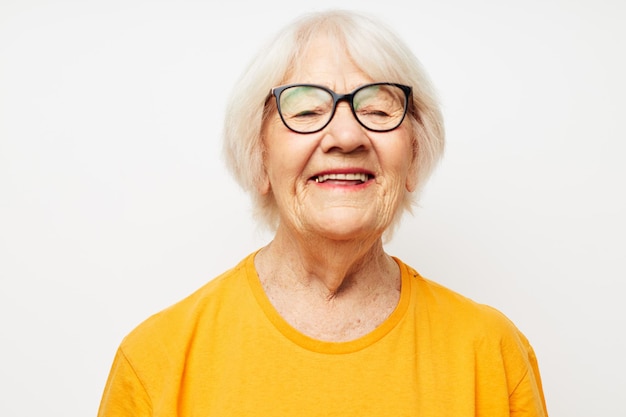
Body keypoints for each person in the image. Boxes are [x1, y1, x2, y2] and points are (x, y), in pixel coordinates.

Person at [97, 9, 548, 417]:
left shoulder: (491, 353)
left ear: (414, 151)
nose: (347, 135)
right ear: (259, 156)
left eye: (377, 107)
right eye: (308, 109)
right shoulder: (157, 360)